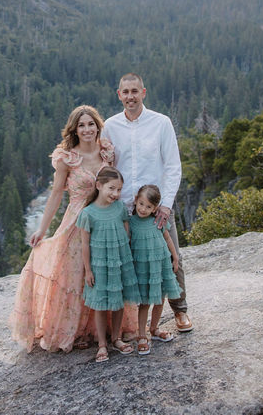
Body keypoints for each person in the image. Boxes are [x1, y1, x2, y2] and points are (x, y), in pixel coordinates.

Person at [9, 105, 115, 352]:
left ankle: (104, 328)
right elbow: (57, 193)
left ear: (98, 126)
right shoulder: (67, 157)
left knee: (103, 273)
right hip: (77, 222)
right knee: (75, 276)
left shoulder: (107, 152)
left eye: (91, 124)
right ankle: (75, 329)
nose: (87, 129)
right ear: (74, 130)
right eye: (81, 125)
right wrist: (42, 229)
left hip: (105, 220)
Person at [104, 72, 192, 333]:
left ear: (144, 92)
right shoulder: (110, 126)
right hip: (124, 209)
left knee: (170, 257)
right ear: (119, 95)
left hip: (155, 206)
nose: (130, 96)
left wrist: (165, 205)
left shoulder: (161, 123)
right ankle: (123, 322)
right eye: (125, 92)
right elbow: (107, 166)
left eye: (135, 91)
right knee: (123, 262)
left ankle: (181, 310)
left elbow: (173, 167)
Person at [77, 166, 140, 362]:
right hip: (100, 265)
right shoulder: (88, 213)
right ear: (99, 186)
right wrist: (88, 270)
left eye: (119, 189)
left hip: (120, 261)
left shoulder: (120, 208)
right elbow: (85, 245)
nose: (116, 193)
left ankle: (116, 339)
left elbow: (126, 232)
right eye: (111, 188)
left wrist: (127, 257)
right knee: (101, 305)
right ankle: (102, 344)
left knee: (119, 300)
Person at [129, 185, 181, 355]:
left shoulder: (158, 220)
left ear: (155, 208)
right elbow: (128, 244)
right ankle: (142, 335)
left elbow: (167, 238)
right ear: (136, 200)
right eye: (141, 204)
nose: (144, 209)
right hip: (143, 267)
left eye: (149, 206)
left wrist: (175, 257)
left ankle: (154, 329)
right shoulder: (131, 223)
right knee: (144, 302)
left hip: (160, 264)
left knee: (160, 299)